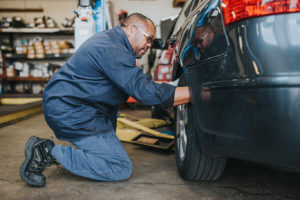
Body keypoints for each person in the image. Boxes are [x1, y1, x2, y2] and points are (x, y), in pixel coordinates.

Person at [19, 13, 190, 187]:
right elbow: (144, 92)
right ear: (131, 29)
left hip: (81, 108)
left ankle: (90, 151)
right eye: (148, 39)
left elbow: (139, 85)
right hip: (70, 110)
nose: (149, 45)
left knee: (110, 134)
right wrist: (194, 93)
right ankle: (47, 151)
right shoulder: (113, 48)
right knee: (119, 167)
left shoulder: (114, 43)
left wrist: (171, 87)